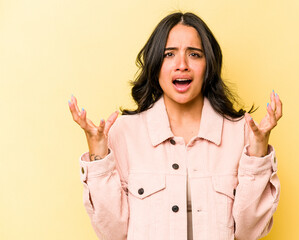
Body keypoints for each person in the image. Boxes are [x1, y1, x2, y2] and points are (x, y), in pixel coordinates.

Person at [68, 12, 282, 240]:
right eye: (169, 54)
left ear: (208, 65)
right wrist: (99, 156)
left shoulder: (241, 133)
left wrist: (258, 155)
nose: (182, 65)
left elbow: (249, 232)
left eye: (194, 54)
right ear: (155, 64)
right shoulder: (124, 132)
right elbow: (112, 233)